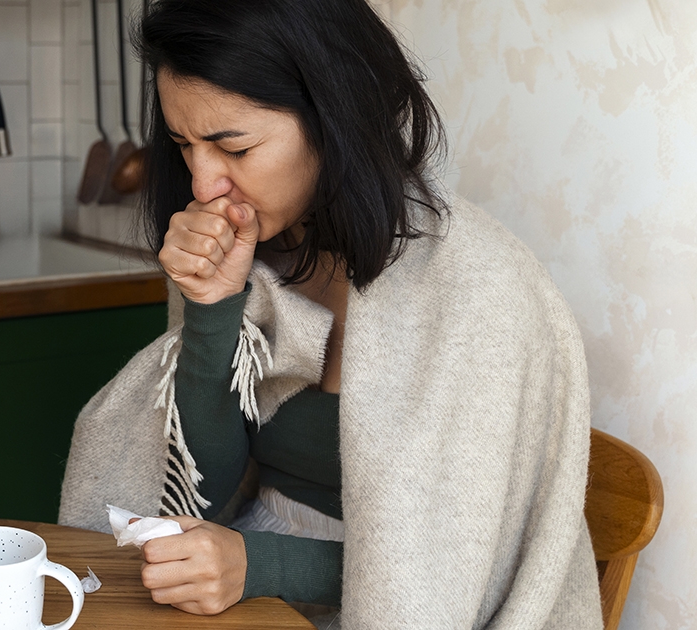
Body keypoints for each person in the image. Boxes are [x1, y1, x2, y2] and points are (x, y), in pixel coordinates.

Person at [59, 0, 604, 628]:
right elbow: (201, 493)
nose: (204, 184)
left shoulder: (479, 295)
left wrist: (260, 564)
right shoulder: (255, 256)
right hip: (252, 590)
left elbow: (448, 573)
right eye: (184, 145)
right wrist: (212, 310)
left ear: (333, 117)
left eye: (232, 147)